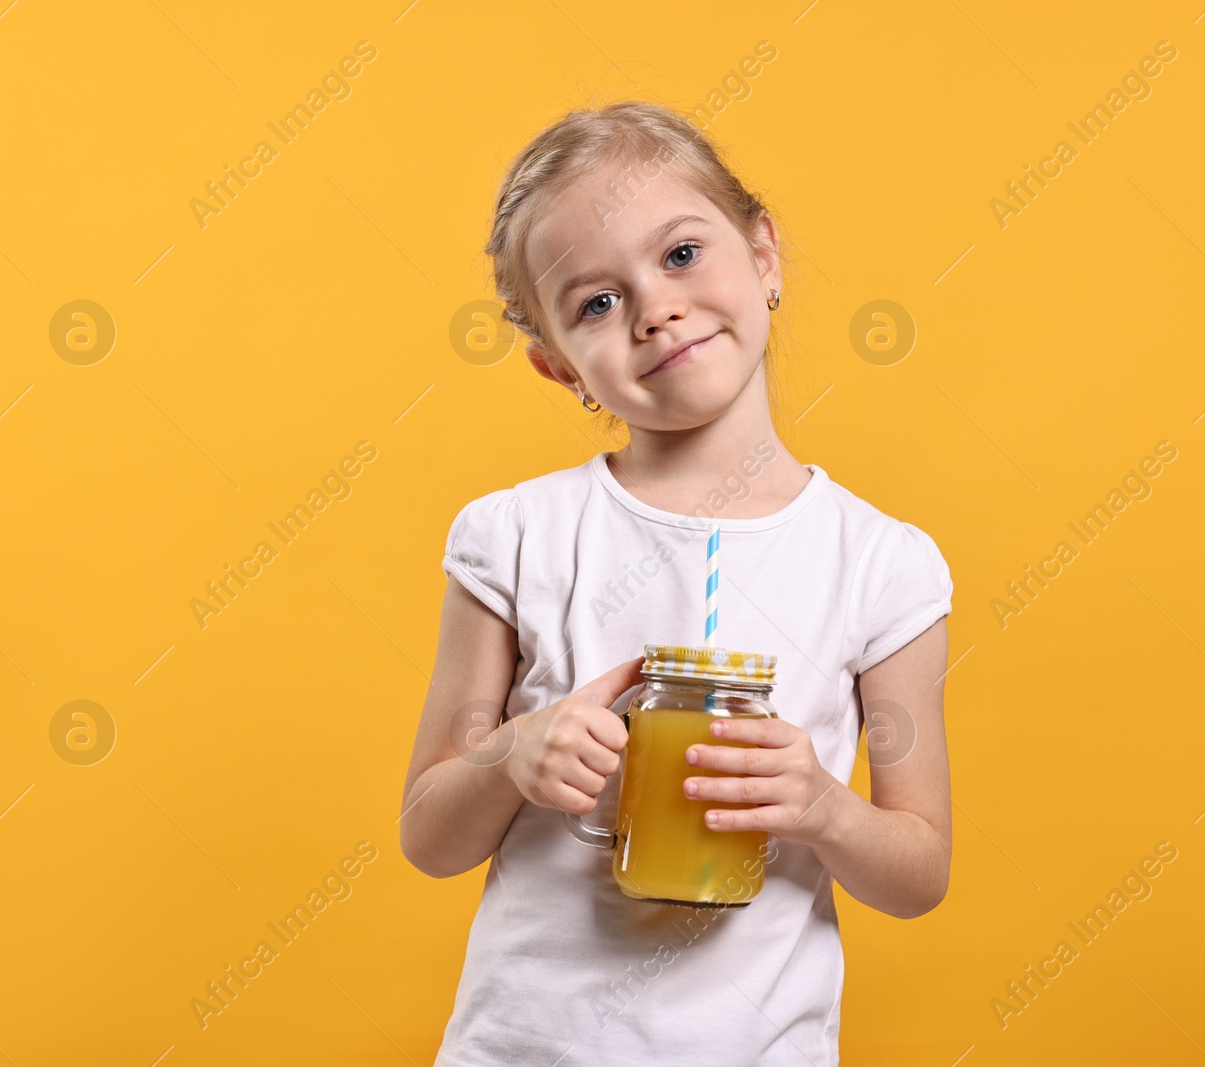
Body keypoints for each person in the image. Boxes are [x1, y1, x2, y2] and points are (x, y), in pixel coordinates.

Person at [400, 99, 955, 1067]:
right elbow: (428, 833)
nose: (654, 307)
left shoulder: (880, 563)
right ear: (556, 366)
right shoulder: (516, 537)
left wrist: (822, 805)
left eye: (682, 254)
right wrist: (513, 755)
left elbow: (918, 868)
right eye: (595, 304)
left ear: (764, 253)